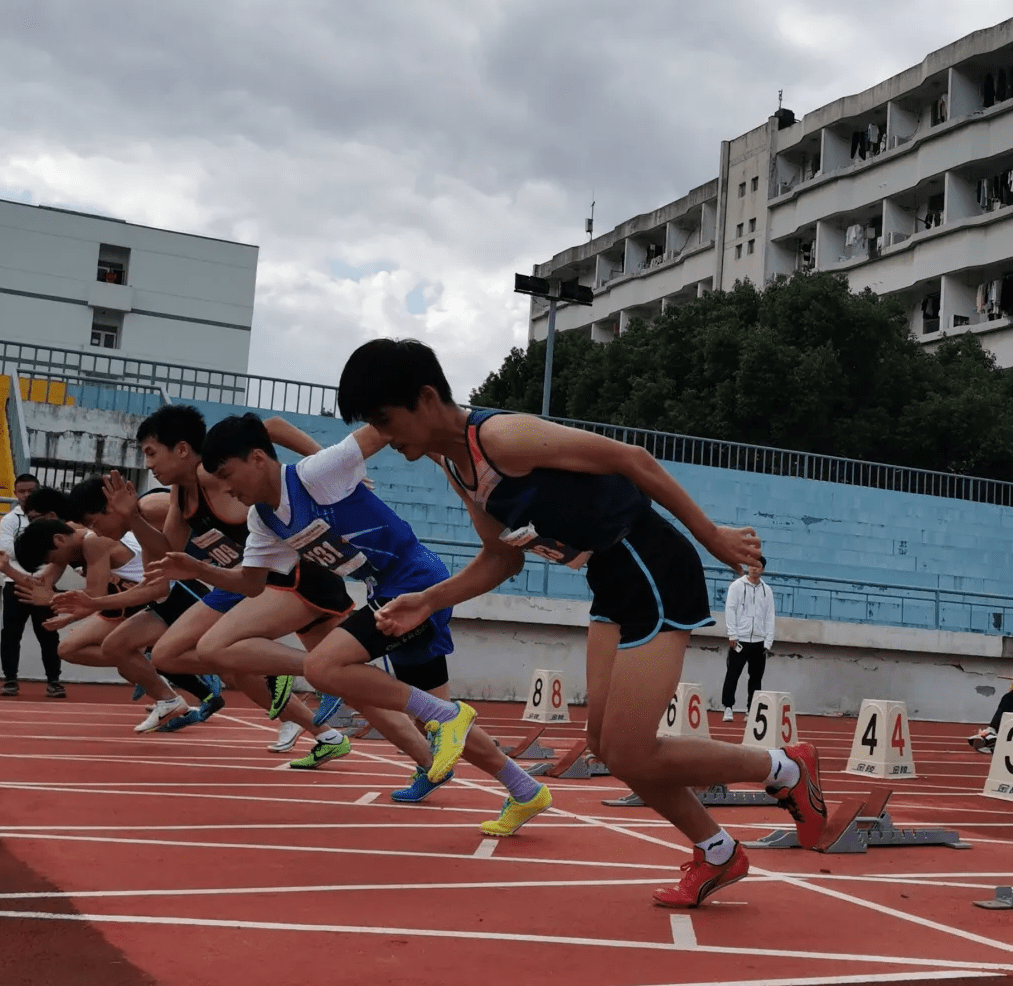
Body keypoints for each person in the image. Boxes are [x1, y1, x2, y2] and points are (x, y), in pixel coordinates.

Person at [333, 338, 851, 907]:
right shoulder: (459, 470)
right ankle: (721, 852)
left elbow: (633, 460)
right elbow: (501, 557)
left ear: (426, 398)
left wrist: (714, 538)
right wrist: (430, 599)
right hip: (610, 577)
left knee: (631, 750)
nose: (384, 436)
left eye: (385, 419)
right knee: (605, 744)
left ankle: (784, 770)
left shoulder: (501, 437)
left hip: (653, 566)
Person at [149, 412, 552, 829]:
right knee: (427, 717)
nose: (228, 488)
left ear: (257, 459)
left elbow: (386, 427)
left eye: (228, 475)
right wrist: (195, 569)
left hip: (415, 581)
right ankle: (524, 789)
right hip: (385, 590)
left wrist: (441, 442)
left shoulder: (317, 473)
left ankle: (449, 715)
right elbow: (250, 585)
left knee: (323, 666)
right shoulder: (262, 519)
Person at [100, 404, 341, 752]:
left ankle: (299, 677)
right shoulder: (180, 497)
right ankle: (327, 736)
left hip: (275, 578)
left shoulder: (217, 473)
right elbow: (168, 556)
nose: (148, 464)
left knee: (239, 660)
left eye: (152, 453)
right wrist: (133, 518)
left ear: (182, 449)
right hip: (232, 583)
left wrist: (326, 463)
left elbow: (271, 426)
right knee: (168, 656)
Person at [46, 477, 223, 730]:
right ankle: (177, 694)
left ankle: (254, 676)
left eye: (95, 524)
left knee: (224, 659)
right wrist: (93, 603)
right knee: (125, 649)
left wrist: (92, 602)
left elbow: (209, 510)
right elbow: (154, 587)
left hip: (190, 589)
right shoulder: (139, 528)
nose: (97, 532)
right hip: (166, 593)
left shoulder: (151, 508)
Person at [12, 514, 202, 733]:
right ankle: (164, 694)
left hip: (172, 595)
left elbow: (94, 595)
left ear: (58, 540)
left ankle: (158, 674)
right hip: (142, 600)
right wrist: (5, 569)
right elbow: (42, 584)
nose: (55, 565)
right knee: (73, 649)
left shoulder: (93, 541)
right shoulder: (69, 540)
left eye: (52, 559)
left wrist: (59, 604)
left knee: (216, 659)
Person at [0, 472, 65, 699]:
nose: (25, 495)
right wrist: (38, 546)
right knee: (11, 634)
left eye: (30, 491)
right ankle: (10, 680)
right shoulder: (9, 520)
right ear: (15, 493)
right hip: (14, 582)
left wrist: (27, 546)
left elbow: (58, 547)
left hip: (44, 582)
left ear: (39, 490)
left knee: (49, 633)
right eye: (21, 491)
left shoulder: (51, 516)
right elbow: (7, 550)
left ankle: (54, 681)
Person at [721, 555, 775, 721]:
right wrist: (733, 634)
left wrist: (768, 641)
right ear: (747, 566)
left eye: (757, 566)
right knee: (732, 674)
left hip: (759, 642)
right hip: (740, 640)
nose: (754, 569)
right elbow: (730, 610)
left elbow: (770, 616)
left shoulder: (767, 590)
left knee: (756, 678)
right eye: (751, 565)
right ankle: (728, 707)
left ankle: (751, 710)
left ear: (762, 569)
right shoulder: (737, 586)